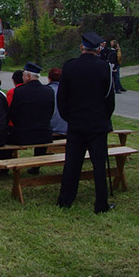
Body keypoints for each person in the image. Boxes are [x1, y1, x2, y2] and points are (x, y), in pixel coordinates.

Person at [57, 31, 115, 214]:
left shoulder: (70, 67)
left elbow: (62, 98)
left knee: (72, 163)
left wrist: (70, 117)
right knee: (99, 165)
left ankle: (65, 200)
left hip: (76, 123)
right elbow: (109, 99)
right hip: (97, 123)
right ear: (98, 49)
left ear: (82, 47)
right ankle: (101, 203)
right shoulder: (104, 67)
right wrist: (104, 117)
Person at [8, 62, 54, 146]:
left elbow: (13, 113)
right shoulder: (49, 91)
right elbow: (50, 112)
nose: (22, 77)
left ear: (28, 76)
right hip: (44, 134)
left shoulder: (19, 91)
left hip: (23, 135)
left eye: (23, 75)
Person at [47, 68, 67, 138]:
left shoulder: (46, 92)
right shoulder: (68, 91)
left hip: (50, 130)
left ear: (49, 79)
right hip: (66, 129)